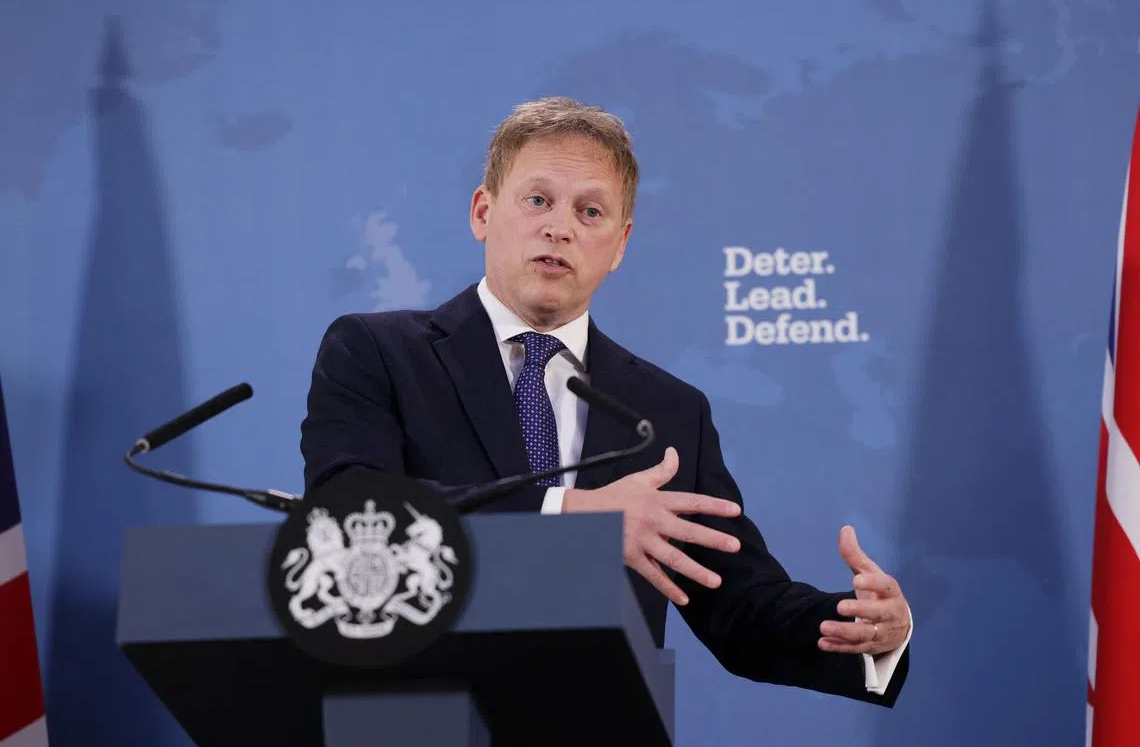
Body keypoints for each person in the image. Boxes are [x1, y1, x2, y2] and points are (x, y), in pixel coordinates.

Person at [300, 96, 911, 706]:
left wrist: (862, 630)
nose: (560, 227)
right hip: (416, 714)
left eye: (590, 211)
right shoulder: (378, 353)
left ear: (619, 245)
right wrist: (569, 514)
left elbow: (739, 606)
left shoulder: (667, 412)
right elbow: (350, 513)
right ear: (483, 211)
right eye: (538, 200)